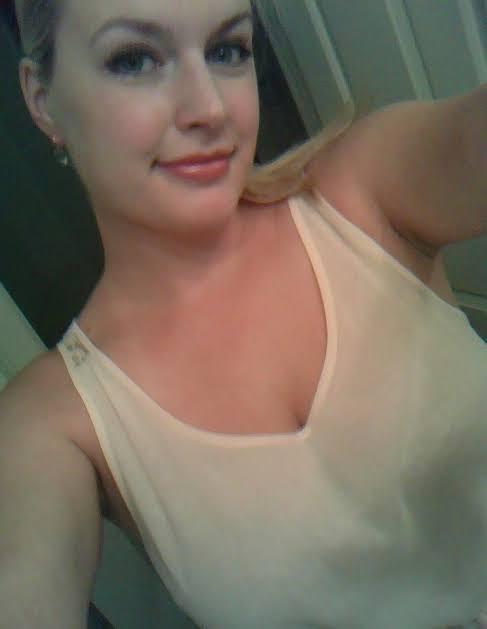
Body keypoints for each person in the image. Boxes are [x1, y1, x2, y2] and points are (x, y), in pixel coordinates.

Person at [1, 0, 486, 627]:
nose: (209, 108)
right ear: (42, 99)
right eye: (134, 60)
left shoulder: (362, 191)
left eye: (228, 50)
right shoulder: (54, 419)